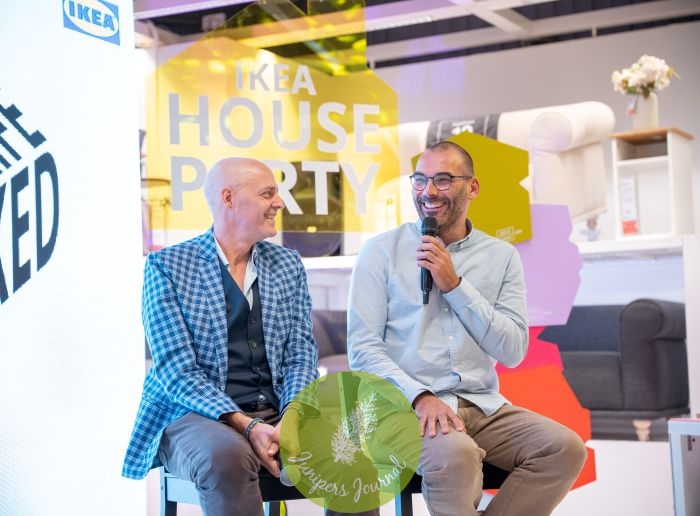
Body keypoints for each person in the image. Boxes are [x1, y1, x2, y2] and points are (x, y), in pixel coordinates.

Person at [347, 140, 588, 516]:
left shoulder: (501, 256)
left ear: (472, 187)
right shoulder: (379, 252)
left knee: (563, 448)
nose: (428, 191)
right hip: (403, 408)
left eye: (443, 180)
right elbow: (363, 350)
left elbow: (512, 351)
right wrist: (420, 396)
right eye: (420, 180)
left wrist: (455, 287)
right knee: (457, 455)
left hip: (482, 406)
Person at [122, 157, 323, 515]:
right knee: (227, 458)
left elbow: (300, 354)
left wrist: (292, 415)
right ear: (228, 198)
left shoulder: (287, 264)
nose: (279, 203)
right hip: (194, 414)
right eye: (267, 194)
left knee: (348, 452)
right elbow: (177, 372)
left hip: (278, 408)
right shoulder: (167, 267)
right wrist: (248, 426)